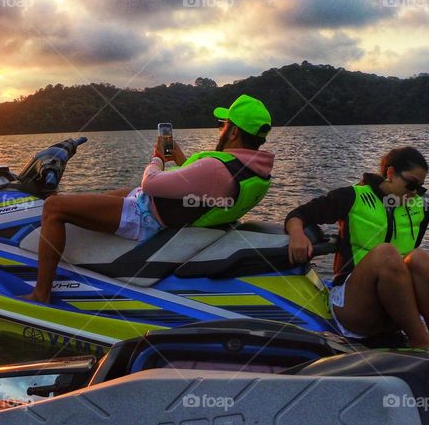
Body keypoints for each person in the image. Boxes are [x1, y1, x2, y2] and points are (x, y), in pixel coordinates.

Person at [25, 94, 275, 302]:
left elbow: (151, 183)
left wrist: (157, 158)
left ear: (232, 132)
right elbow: (205, 187)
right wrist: (180, 159)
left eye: (223, 125)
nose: (220, 130)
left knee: (54, 206)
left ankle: (41, 293)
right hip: (162, 211)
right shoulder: (256, 172)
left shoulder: (217, 169)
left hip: (146, 217)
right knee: (105, 197)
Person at [285, 146, 429, 348]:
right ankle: (422, 343)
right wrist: (297, 235)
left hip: (395, 305)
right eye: (411, 185)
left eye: (420, 188)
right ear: (390, 173)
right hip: (355, 304)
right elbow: (299, 214)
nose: (414, 194)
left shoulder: (421, 209)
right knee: (386, 253)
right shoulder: (352, 197)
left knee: (423, 259)